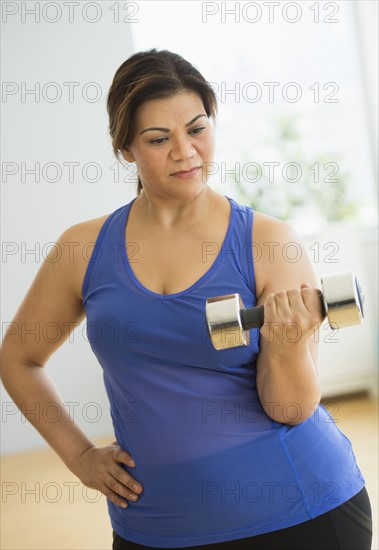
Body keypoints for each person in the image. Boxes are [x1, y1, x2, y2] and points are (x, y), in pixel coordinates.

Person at [1, 49, 372, 550]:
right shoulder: (82, 249)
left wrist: (287, 343)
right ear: (125, 147)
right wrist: (80, 457)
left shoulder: (267, 241)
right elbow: (19, 358)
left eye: (197, 129)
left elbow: (289, 408)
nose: (185, 152)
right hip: (155, 527)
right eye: (159, 139)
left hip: (298, 512)